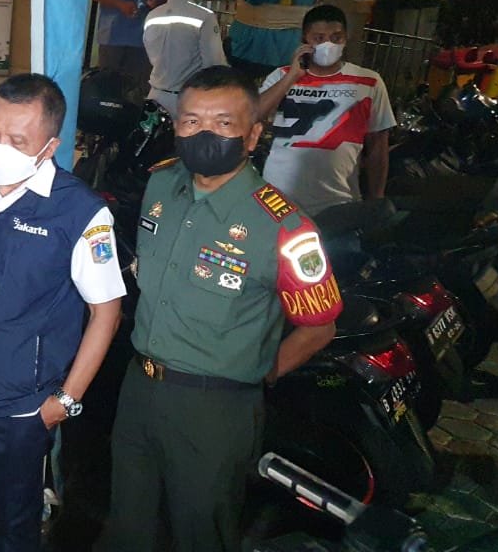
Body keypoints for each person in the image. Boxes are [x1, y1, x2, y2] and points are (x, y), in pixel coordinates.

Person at [104, 66, 341, 552]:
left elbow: (319, 327)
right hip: (139, 389)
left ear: (252, 135)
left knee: (201, 535)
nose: (204, 133)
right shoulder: (161, 185)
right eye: (191, 121)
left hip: (215, 409)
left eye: (223, 123)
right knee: (128, 526)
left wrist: (258, 373)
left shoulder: (284, 227)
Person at [0, 74, 127, 551]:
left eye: (18, 141)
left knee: (15, 525)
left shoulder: (79, 212)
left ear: (50, 145)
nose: (0, 148)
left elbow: (106, 313)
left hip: (20, 409)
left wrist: (65, 401)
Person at [258, 4, 396, 215]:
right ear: (305, 39)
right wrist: (292, 76)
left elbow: (378, 145)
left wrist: (376, 197)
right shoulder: (281, 76)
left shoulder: (369, 82)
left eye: (336, 37)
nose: (328, 44)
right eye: (319, 38)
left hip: (339, 200)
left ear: (346, 38)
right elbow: (254, 115)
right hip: (278, 198)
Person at [143, 0, 228, 116]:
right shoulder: (205, 16)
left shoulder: (152, 15)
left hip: (155, 96)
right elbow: (214, 65)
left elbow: (152, 56)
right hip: (188, 100)